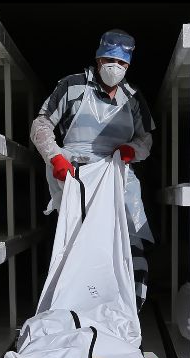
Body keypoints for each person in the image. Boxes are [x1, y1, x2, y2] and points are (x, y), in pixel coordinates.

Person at [29, 29, 155, 311]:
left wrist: (131, 150)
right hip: (75, 173)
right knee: (75, 242)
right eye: (110, 60)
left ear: (129, 65)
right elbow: (41, 124)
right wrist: (55, 158)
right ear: (99, 60)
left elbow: (146, 138)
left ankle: (128, 310)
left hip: (117, 175)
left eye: (122, 63)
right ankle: (72, 309)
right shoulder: (71, 86)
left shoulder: (133, 98)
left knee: (129, 239)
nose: (115, 67)